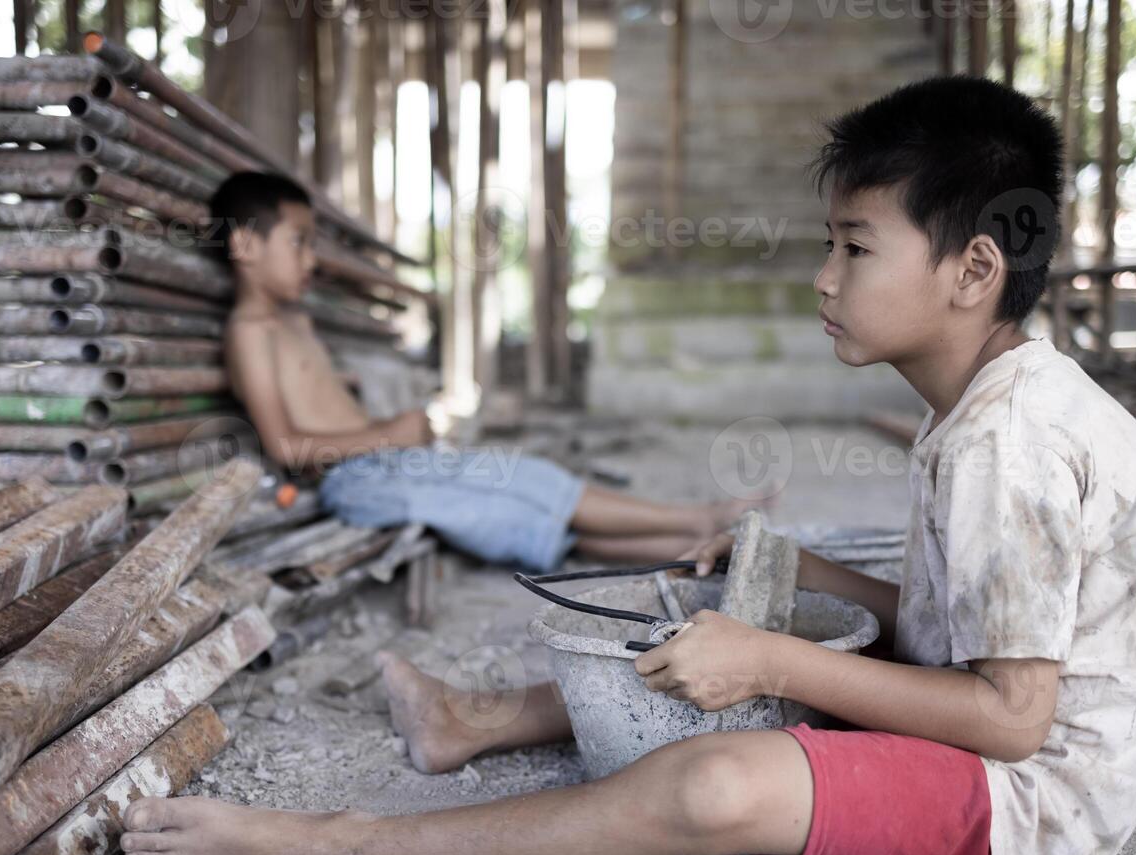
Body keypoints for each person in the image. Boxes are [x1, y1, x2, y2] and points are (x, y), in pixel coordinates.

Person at [122, 76, 1136, 855]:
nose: (825, 278)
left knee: (711, 785)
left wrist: (775, 654)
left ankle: (303, 844)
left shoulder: (1004, 440)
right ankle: (473, 720)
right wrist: (777, 580)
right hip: (1004, 732)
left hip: (1034, 797)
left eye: (854, 247)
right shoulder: (983, 403)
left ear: (973, 270)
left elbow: (1013, 721)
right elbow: (950, 632)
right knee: (739, 607)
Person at [207, 171, 748, 572]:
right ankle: (699, 522)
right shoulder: (250, 331)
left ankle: (701, 544)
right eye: (299, 241)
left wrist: (391, 431)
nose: (311, 260)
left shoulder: (290, 322)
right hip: (355, 481)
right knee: (512, 502)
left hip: (390, 464)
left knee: (524, 491)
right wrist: (388, 433)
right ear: (246, 244)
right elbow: (285, 447)